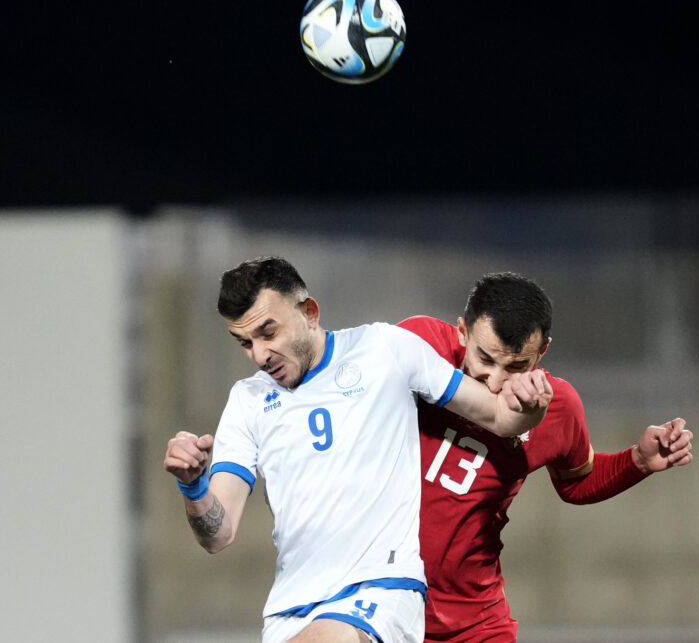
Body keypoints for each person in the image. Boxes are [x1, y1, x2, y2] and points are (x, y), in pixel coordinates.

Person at [163, 257, 553, 643]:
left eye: (269, 333)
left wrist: (530, 410)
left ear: (309, 312)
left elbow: (501, 418)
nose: (259, 354)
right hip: (289, 610)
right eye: (245, 343)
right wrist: (194, 486)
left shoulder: (385, 349)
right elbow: (218, 535)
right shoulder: (247, 401)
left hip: (379, 592)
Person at [398, 272, 695, 642]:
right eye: (485, 359)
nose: (494, 381)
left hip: (473, 623)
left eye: (516, 366)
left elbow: (577, 481)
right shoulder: (418, 346)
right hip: (377, 603)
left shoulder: (557, 407)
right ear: (463, 331)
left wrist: (636, 461)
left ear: (543, 351)